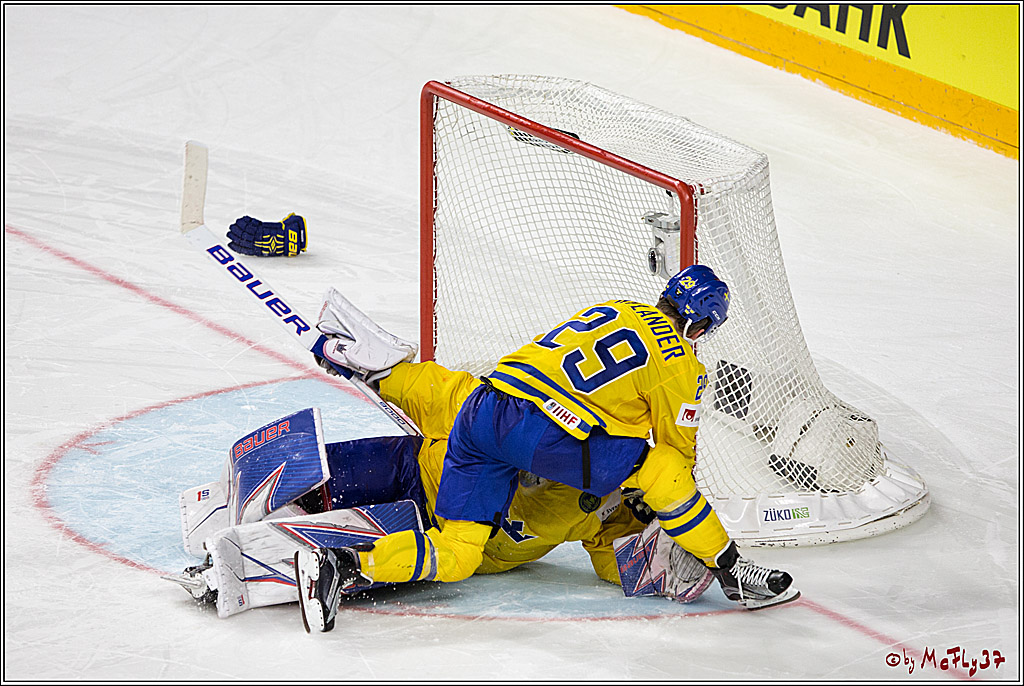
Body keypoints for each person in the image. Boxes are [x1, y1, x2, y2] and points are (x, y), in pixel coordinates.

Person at [299, 265, 799, 633]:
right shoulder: (682, 363)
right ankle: (735, 570)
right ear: (704, 325)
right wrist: (687, 529)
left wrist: (390, 376)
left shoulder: (613, 307)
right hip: (542, 433)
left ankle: (341, 563)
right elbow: (675, 459)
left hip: (488, 407)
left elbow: (479, 386)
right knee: (663, 470)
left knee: (456, 548)